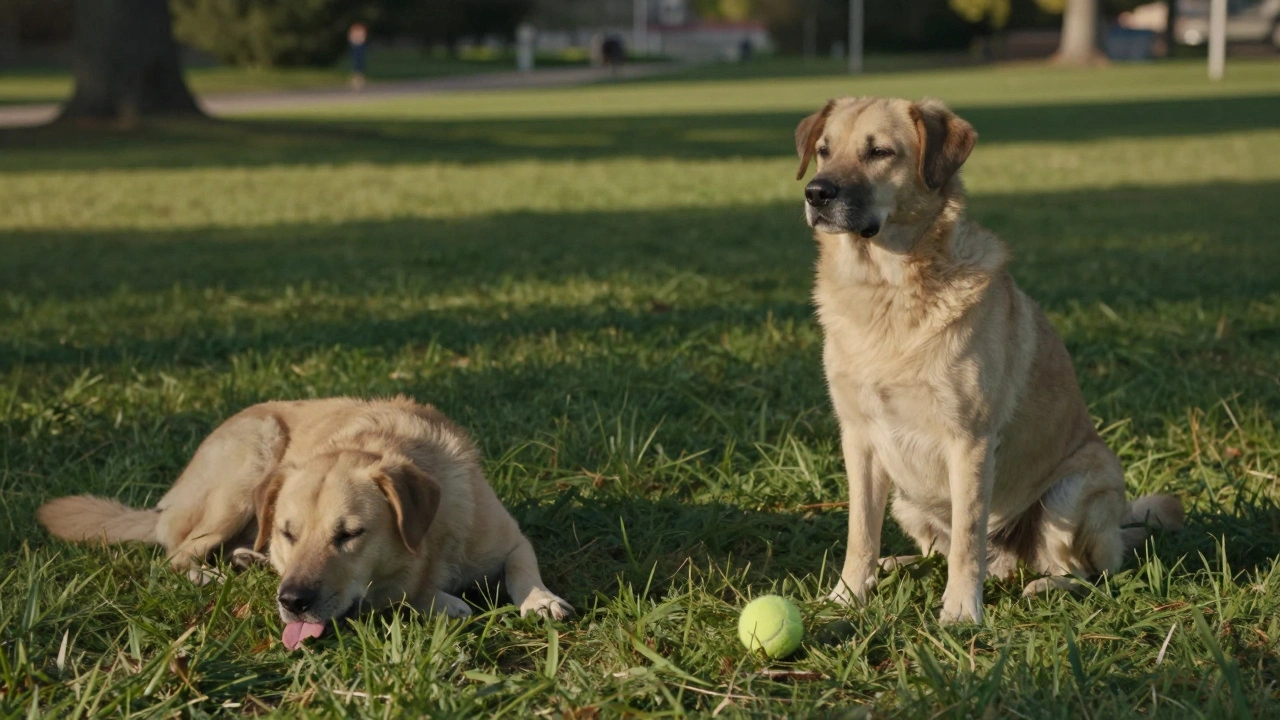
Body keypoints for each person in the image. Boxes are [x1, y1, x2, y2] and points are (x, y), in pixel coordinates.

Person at [348, 23, 368, 90]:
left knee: (360, 64)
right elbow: (351, 38)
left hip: (360, 47)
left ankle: (359, 81)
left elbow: (363, 38)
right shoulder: (354, 31)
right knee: (356, 65)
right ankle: (356, 81)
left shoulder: (361, 32)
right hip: (356, 47)